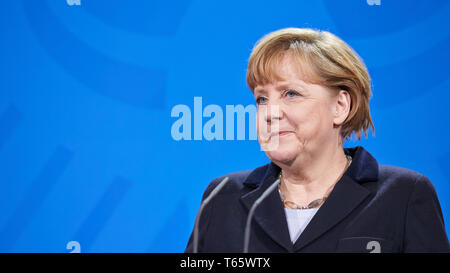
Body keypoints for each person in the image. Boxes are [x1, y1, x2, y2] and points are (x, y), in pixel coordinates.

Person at [185, 28, 450, 253]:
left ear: (340, 106)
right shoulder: (222, 196)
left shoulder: (403, 195)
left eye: (290, 94)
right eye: (262, 99)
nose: (270, 113)